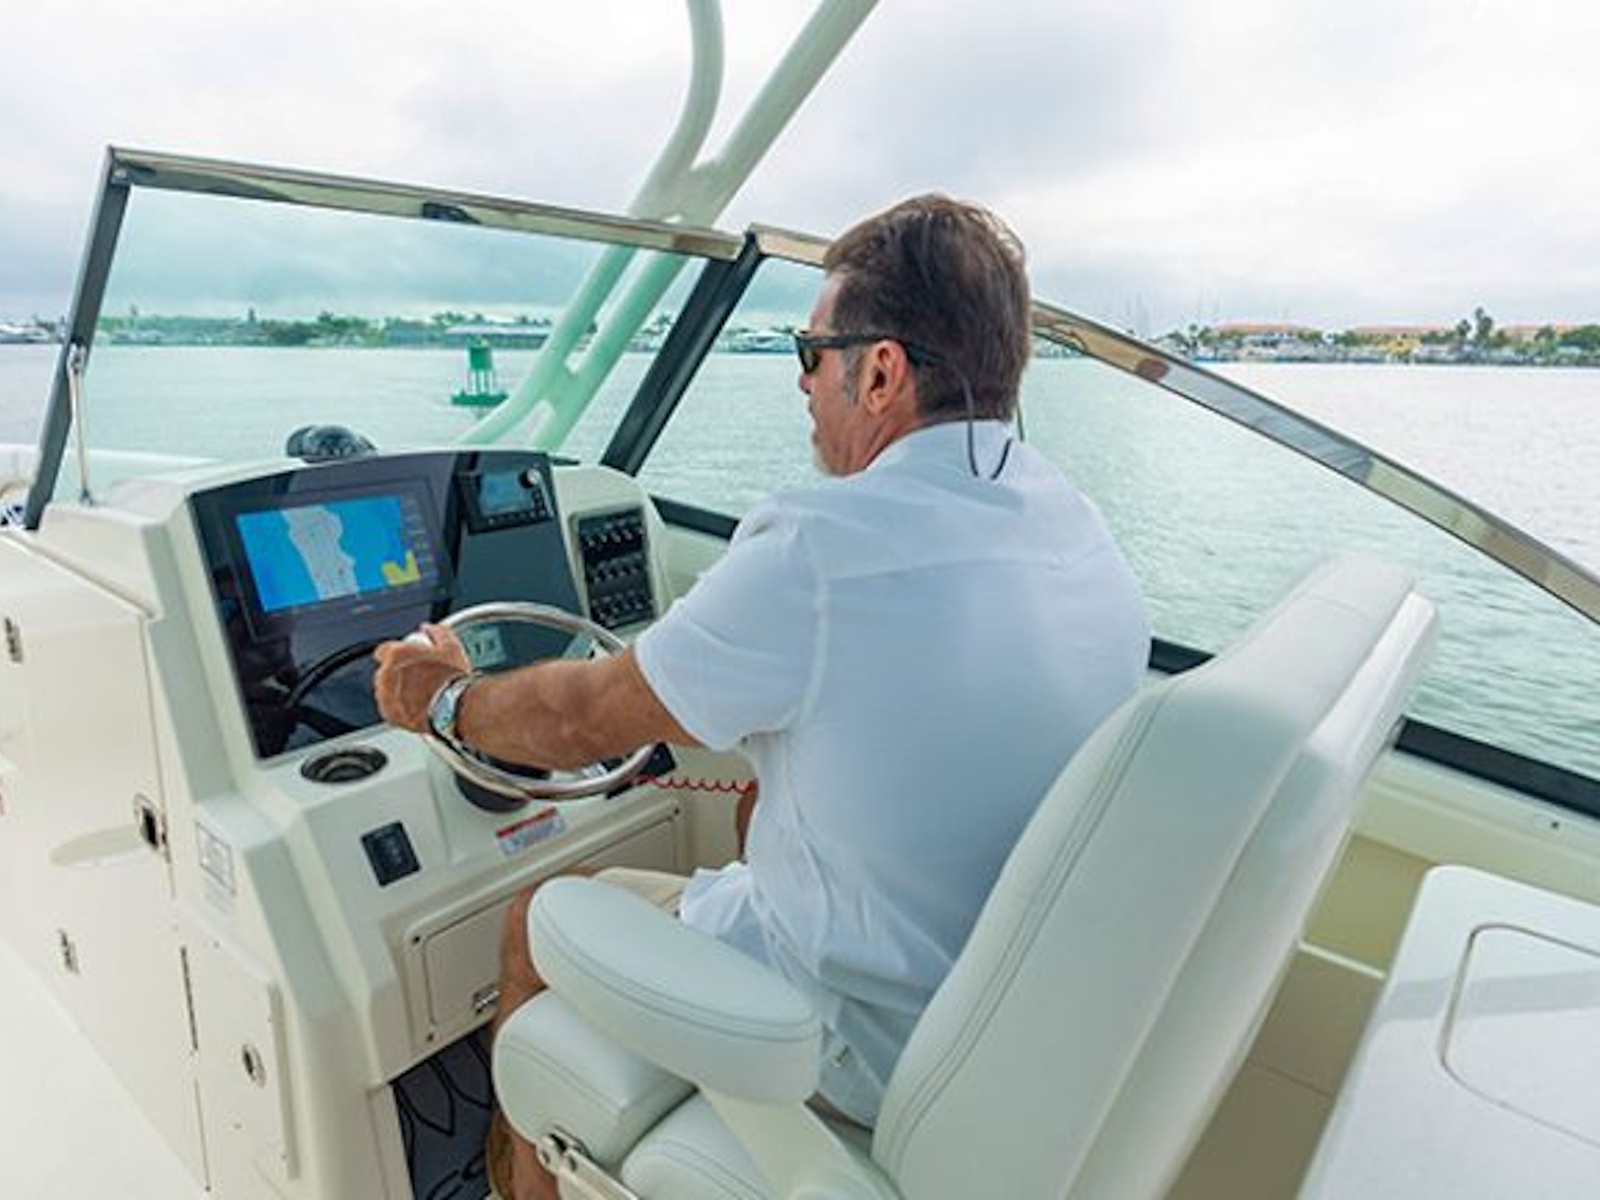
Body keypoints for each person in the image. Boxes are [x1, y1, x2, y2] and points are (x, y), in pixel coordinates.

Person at [373, 194, 1150, 1199]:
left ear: (880, 372)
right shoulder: (1078, 528)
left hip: (857, 1044)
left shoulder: (822, 550)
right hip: (993, 1018)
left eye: (810, 352)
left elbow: (575, 721)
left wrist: (442, 701)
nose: (802, 380)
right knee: (751, 811)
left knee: (532, 918)